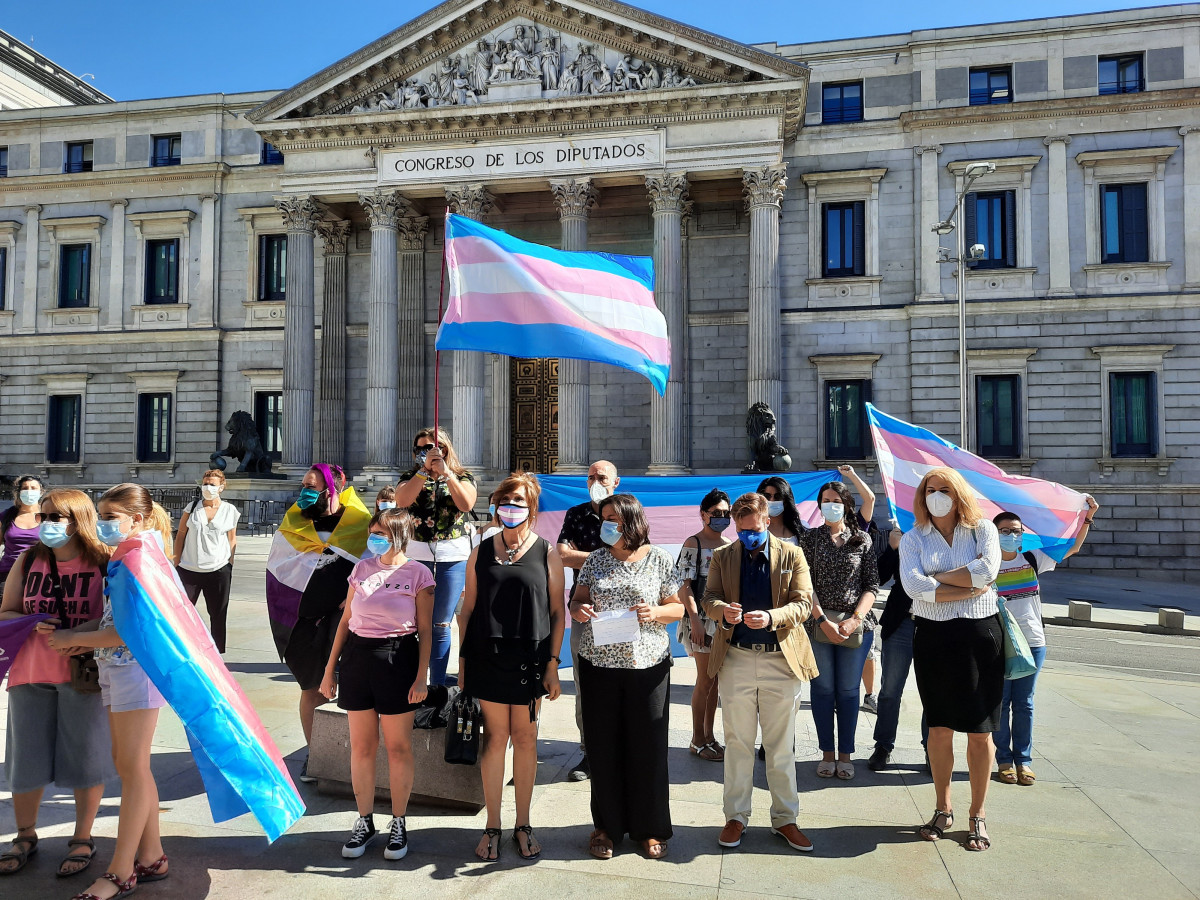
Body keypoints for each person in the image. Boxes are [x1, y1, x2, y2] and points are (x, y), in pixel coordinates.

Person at [48, 485, 176, 900]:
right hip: (118, 667)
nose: (102, 523)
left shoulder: (139, 558)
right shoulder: (135, 552)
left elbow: (128, 630)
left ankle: (121, 871)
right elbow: (115, 618)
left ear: (137, 519)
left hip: (134, 670)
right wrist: (80, 636)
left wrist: (74, 636)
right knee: (132, 766)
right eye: (101, 514)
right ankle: (152, 855)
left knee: (132, 767)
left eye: (110, 516)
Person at [0, 490, 113, 880]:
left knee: (86, 758)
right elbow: (7, 610)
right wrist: (30, 622)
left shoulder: (102, 561)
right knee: (25, 759)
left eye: (56, 517)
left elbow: (117, 619)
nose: (48, 524)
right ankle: (25, 834)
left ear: (78, 519)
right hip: (29, 671)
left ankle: (82, 837)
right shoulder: (30, 559)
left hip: (83, 675)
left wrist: (80, 632)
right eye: (44, 516)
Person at [569, 494, 682, 861]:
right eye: (604, 518)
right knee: (603, 748)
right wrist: (580, 609)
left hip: (647, 667)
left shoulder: (660, 559)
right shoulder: (595, 561)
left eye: (615, 518)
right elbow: (576, 602)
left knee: (647, 748)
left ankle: (650, 829)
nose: (608, 524)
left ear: (633, 521)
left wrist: (656, 611)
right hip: (598, 665)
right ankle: (606, 828)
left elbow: (677, 607)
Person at [459, 473, 565, 862]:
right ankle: (492, 825)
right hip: (486, 656)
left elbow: (558, 612)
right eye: (505, 499)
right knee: (494, 739)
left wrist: (552, 665)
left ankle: (523, 824)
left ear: (531, 508)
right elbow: (467, 610)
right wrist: (463, 665)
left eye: (518, 501)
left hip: (529, 660)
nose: (510, 507)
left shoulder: (546, 552)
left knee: (525, 740)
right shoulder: (481, 551)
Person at [702, 492, 816, 853]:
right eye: (741, 529)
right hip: (735, 657)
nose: (748, 535)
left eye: (753, 528)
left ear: (767, 522)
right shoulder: (723, 555)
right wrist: (723, 611)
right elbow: (709, 598)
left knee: (780, 745)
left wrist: (771, 617)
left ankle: (786, 819)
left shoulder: (792, 554)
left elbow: (803, 603)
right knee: (737, 742)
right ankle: (736, 816)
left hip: (780, 660)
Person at [320, 509, 434, 860]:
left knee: (398, 747)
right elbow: (345, 621)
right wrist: (329, 670)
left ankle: (398, 821)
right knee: (362, 747)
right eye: (373, 532)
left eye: (382, 532)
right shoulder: (362, 569)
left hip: (397, 657)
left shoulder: (418, 573)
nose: (376, 537)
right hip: (357, 658)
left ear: (400, 535)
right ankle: (364, 820)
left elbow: (427, 630)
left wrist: (420, 677)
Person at [901, 467, 1001, 852]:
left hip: (979, 635)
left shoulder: (983, 530)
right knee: (939, 728)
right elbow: (912, 586)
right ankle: (943, 808)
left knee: (980, 731)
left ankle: (978, 814)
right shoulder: (913, 538)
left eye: (944, 489)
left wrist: (937, 582)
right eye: (930, 489)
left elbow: (988, 571)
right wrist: (966, 585)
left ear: (958, 493)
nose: (936, 495)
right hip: (933, 636)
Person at [266, 464, 371, 784]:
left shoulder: (360, 523)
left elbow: (376, 565)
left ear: (333, 489)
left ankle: (359, 754)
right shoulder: (294, 520)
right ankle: (316, 753)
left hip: (347, 619)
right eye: (304, 486)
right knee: (311, 687)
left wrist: (354, 595)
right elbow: (278, 568)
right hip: (304, 620)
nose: (305, 492)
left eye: (312, 486)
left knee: (354, 689)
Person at [993, 496, 1099, 787]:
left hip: (1033, 641)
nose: (1011, 536)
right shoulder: (986, 564)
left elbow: (1072, 547)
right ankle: (1004, 760)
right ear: (994, 533)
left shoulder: (1032, 557)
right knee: (1001, 703)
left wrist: (1087, 517)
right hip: (999, 644)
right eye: (1004, 531)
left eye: (1016, 531)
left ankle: (1023, 761)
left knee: (1024, 703)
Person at [801, 481, 879, 780]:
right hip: (818, 624)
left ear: (847, 505)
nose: (830, 504)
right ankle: (827, 754)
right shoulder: (810, 540)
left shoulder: (862, 540)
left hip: (855, 626)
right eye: (825, 500)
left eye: (836, 500)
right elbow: (804, 585)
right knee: (822, 690)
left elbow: (872, 585)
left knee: (848, 691)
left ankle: (846, 754)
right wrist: (822, 620)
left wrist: (854, 619)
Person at [394, 428, 477, 687]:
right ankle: (414, 677)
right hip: (417, 555)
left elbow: (466, 505)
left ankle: (437, 684)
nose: (426, 452)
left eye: (432, 447)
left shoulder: (463, 476)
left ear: (446, 449)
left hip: (452, 556)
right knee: (416, 621)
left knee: (440, 623)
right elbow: (402, 500)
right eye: (421, 448)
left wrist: (447, 473)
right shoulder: (410, 476)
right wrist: (423, 472)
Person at [555, 459, 619, 782]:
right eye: (591, 476)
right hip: (584, 611)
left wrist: (585, 557)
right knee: (586, 687)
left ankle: (619, 751)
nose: (595, 480)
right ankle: (589, 752)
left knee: (619, 684)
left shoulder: (628, 513)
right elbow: (562, 554)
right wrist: (603, 557)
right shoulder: (576, 515)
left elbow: (635, 553)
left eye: (602, 476)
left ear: (615, 483)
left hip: (620, 614)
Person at [868, 522, 929, 772]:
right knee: (890, 691)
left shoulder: (946, 538)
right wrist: (893, 549)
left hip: (933, 625)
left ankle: (932, 749)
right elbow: (878, 578)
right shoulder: (904, 534)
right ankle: (883, 746)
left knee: (932, 694)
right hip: (900, 623)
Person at [676, 488, 731, 762]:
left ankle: (709, 736)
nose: (721, 517)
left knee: (716, 682)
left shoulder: (731, 544)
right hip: (701, 621)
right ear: (703, 514)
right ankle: (697, 739)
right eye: (716, 513)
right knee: (705, 679)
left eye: (725, 513)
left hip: (723, 622)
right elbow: (683, 587)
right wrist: (695, 620)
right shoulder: (693, 544)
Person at [173, 469, 240, 653]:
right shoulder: (192, 506)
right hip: (188, 568)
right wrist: (176, 562)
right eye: (205, 483)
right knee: (181, 612)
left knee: (218, 614)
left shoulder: (229, 510)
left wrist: (230, 563)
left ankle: (217, 653)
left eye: (212, 484)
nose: (208, 487)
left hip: (218, 569)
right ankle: (182, 648)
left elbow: (232, 538)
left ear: (221, 487)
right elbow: (180, 535)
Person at [835, 464, 881, 713]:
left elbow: (871, 497)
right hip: (833, 600)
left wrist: (851, 475)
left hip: (859, 602)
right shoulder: (820, 534)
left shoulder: (859, 527)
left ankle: (870, 695)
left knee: (868, 653)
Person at [0, 475, 45, 593]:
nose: (29, 491)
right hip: (6, 574)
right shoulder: (7, 516)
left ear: (41, 492)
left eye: (33, 488)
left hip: (39, 575)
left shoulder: (48, 516)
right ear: (19, 492)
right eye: (25, 488)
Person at [756, 476, 804, 544]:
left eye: (778, 496)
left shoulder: (800, 528)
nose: (772, 500)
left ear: (786, 500)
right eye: (767, 496)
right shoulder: (755, 529)